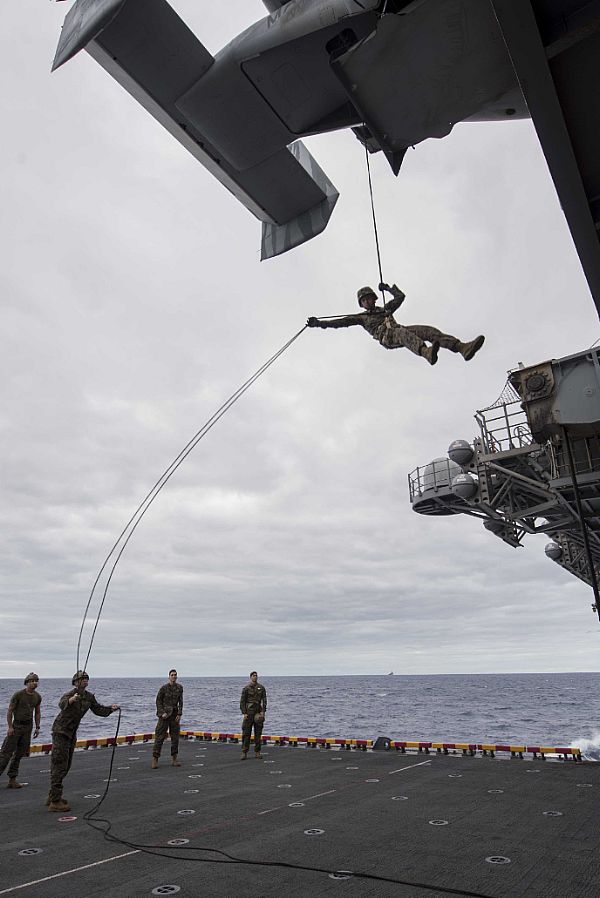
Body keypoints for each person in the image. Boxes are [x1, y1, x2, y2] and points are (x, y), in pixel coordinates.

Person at [306, 283, 485, 366]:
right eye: (364, 300)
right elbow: (340, 323)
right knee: (401, 333)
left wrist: (389, 289)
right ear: (361, 304)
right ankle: (426, 353)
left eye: (369, 298)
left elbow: (400, 297)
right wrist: (319, 324)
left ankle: (462, 347)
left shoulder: (385, 310)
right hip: (388, 337)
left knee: (429, 331)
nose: (368, 302)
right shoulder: (360, 318)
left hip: (400, 330)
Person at [46, 671, 119, 812]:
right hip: (60, 731)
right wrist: (71, 700)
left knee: (66, 765)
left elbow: (98, 710)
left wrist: (111, 709)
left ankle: (53, 795)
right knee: (59, 764)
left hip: (71, 733)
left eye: (86, 678)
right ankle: (55, 801)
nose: (85, 681)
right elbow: (61, 704)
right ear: (75, 682)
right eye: (82, 679)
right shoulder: (70, 694)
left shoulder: (89, 697)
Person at [0, 672, 41, 789]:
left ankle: (12, 779)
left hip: (28, 727)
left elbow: (37, 712)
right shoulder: (18, 695)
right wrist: (10, 727)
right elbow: (10, 711)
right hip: (16, 726)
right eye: (32, 681)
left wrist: (37, 727)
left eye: (36, 681)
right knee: (5, 754)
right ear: (27, 682)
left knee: (19, 754)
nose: (34, 683)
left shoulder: (37, 697)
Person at [151, 669, 184, 769]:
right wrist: (162, 713)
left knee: (175, 738)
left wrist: (179, 714)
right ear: (169, 676)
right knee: (159, 737)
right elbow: (158, 701)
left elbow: (181, 702)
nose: (173, 677)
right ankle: (155, 759)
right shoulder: (164, 688)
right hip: (164, 716)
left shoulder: (179, 688)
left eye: (175, 675)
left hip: (174, 715)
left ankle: (174, 759)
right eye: (172, 675)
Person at [240, 671, 267, 760]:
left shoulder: (261, 688)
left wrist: (263, 711)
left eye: (256, 676)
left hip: (258, 713)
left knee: (258, 734)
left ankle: (257, 752)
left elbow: (264, 700)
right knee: (246, 733)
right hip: (249, 713)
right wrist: (244, 713)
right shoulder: (246, 688)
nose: (255, 677)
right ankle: (244, 752)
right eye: (253, 676)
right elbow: (242, 701)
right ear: (250, 677)